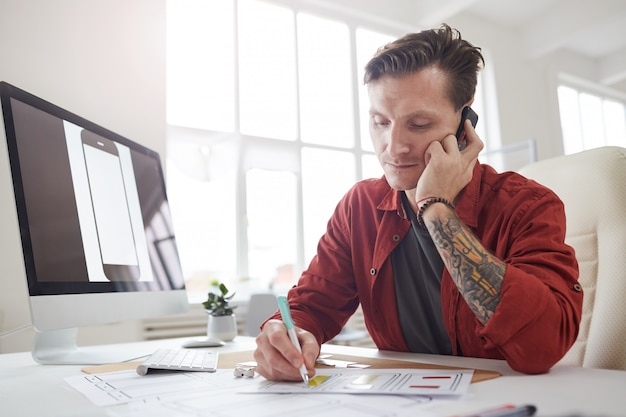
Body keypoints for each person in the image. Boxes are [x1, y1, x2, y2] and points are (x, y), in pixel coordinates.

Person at [253, 24, 582, 379]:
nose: (393, 147)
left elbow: (541, 347)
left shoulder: (527, 206)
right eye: (380, 121)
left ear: (464, 119)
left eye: (420, 124)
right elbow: (312, 306)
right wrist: (286, 335)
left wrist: (435, 206)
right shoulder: (360, 206)